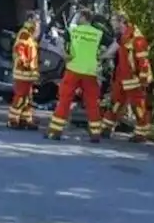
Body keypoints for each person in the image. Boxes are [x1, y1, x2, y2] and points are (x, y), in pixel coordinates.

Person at [45, 9, 114, 143]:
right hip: (90, 71)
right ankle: (95, 134)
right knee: (92, 102)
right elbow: (114, 44)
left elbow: (60, 42)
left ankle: (55, 132)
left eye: (78, 16)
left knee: (65, 100)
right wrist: (103, 56)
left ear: (83, 17)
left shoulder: (73, 31)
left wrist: (64, 55)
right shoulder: (98, 33)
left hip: (73, 69)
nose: (77, 18)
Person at [102, 13, 154, 142]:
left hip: (134, 79)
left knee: (138, 107)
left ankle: (141, 134)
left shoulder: (137, 38)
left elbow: (143, 60)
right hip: (121, 77)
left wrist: (142, 79)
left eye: (113, 21)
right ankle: (106, 128)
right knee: (115, 103)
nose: (112, 24)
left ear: (121, 21)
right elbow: (113, 50)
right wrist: (101, 57)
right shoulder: (122, 36)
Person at [6, 12, 41, 130]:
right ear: (31, 20)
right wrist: (24, 62)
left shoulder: (30, 35)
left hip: (28, 74)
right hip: (23, 73)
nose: (38, 24)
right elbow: (19, 50)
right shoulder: (25, 34)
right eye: (37, 21)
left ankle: (25, 119)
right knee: (20, 97)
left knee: (27, 99)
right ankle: (12, 120)